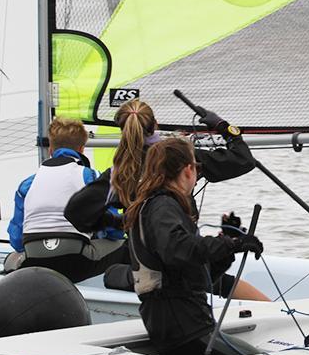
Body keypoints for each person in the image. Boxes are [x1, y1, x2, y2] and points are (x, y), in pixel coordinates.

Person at [65, 99, 268, 301]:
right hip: (180, 260)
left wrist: (117, 222)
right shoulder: (179, 156)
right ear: (156, 125)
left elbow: (76, 212)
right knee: (230, 286)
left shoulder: (119, 173)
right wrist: (224, 128)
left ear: (123, 130)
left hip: (144, 264)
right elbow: (242, 159)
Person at [125, 138, 265, 355]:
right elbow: (176, 248)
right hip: (185, 329)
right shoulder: (162, 206)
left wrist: (228, 245)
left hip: (185, 324)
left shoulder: (161, 205)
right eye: (196, 167)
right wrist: (230, 244)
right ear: (189, 169)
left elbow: (198, 276)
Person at [7, 117, 128, 282]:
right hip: (77, 263)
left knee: (10, 258)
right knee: (124, 245)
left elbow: (16, 239)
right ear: (82, 149)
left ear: (50, 149)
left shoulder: (26, 184)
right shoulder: (91, 176)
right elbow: (115, 232)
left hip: (35, 263)